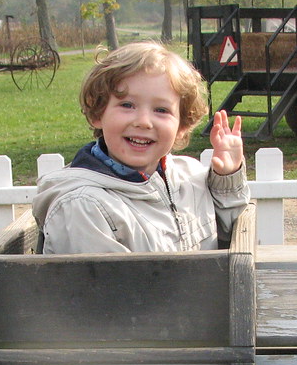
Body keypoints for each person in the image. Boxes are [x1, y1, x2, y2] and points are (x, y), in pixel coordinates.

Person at [32, 41, 249, 254]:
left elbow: (227, 237)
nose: (144, 122)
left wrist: (226, 179)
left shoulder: (190, 177)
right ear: (98, 113)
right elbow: (102, 278)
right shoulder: (82, 207)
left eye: (161, 110)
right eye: (127, 105)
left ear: (181, 126)